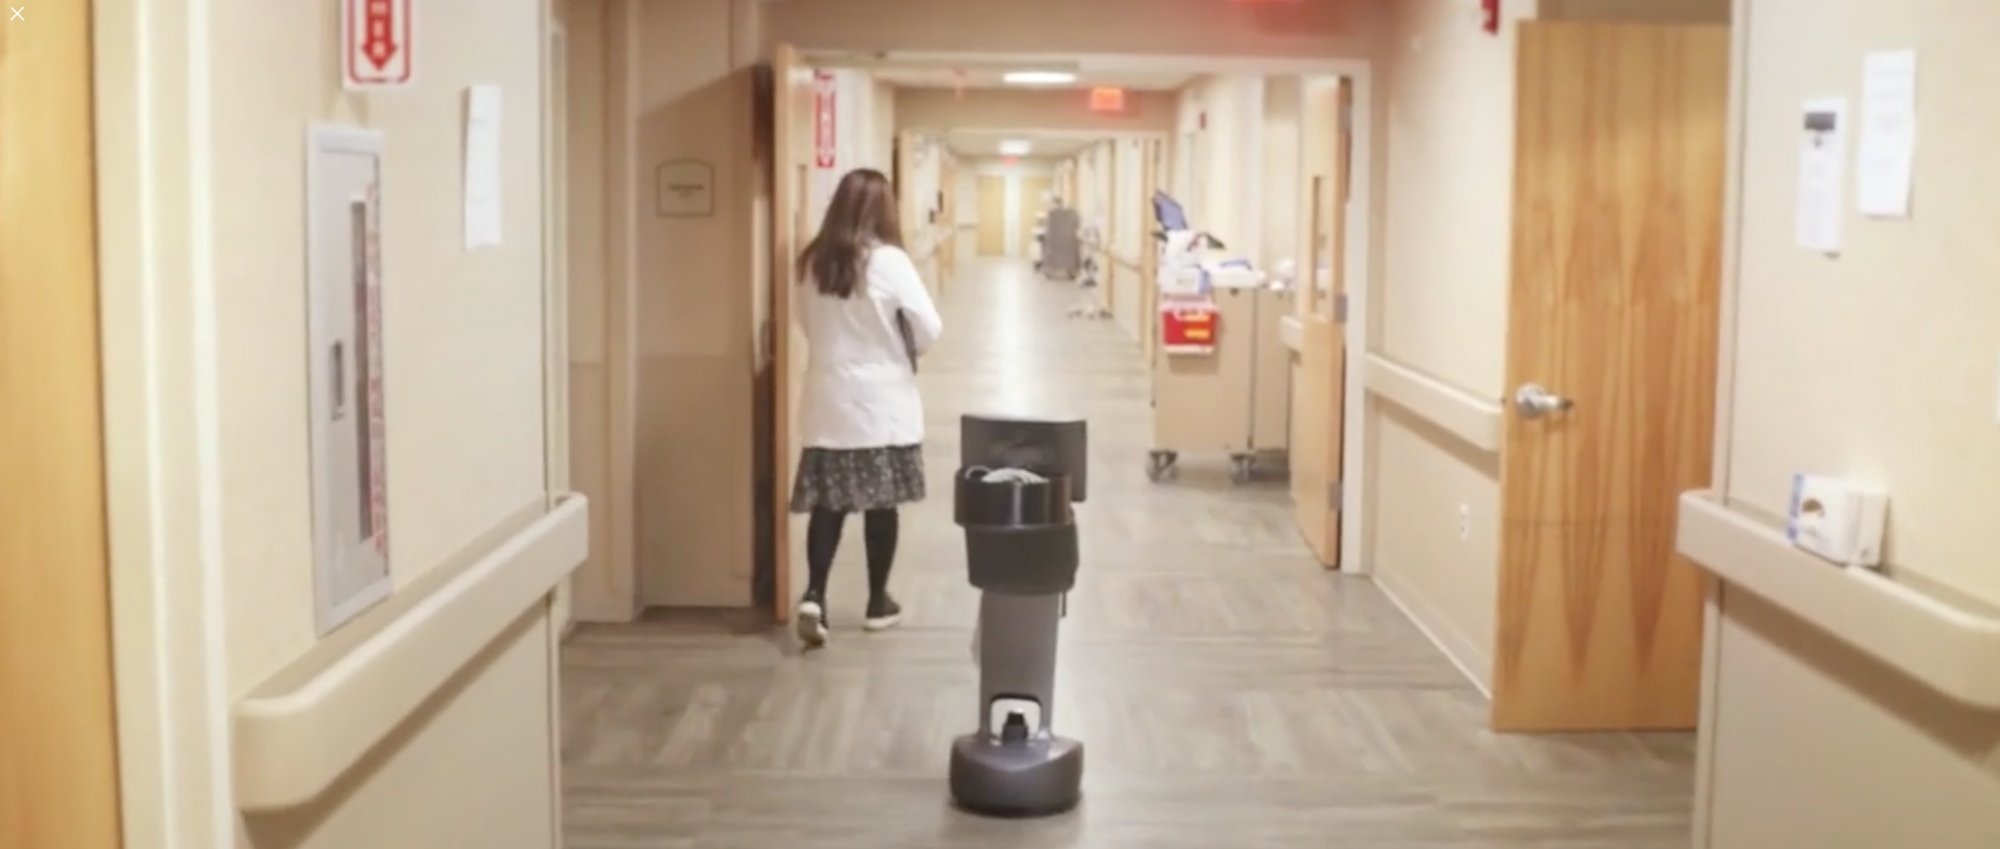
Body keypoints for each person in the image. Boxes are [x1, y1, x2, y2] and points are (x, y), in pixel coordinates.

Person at [790, 168, 942, 649]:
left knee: (829, 503)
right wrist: (901, 345)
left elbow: (805, 323)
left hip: (828, 396)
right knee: (881, 503)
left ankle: (815, 595)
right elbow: (929, 328)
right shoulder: (889, 261)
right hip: (881, 401)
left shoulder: (811, 261)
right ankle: (878, 602)